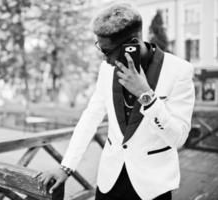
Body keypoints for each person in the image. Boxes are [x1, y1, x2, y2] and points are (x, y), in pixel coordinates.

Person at [34, 3, 195, 200]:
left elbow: (178, 139)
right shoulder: (106, 69)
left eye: (108, 51)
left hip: (152, 187)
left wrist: (147, 96)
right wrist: (65, 168)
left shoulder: (179, 71)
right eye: (101, 50)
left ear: (133, 44)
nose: (105, 59)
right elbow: (90, 118)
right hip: (109, 181)